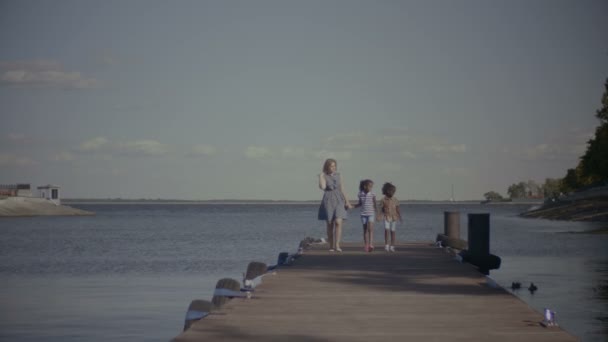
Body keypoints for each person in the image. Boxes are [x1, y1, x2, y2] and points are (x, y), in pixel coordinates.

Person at [318, 159, 352, 252]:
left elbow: (342, 188)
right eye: (331, 166)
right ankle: (331, 245)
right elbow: (323, 187)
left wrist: (347, 201)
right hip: (328, 199)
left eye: (334, 166)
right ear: (327, 167)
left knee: (338, 222)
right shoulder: (324, 176)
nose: (333, 168)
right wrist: (321, 177)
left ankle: (337, 245)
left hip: (339, 199)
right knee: (330, 224)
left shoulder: (339, 175)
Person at [377, 182, 402, 252]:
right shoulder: (383, 200)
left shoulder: (395, 199)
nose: (392, 193)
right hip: (386, 216)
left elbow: (398, 208)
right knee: (386, 230)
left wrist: (400, 217)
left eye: (394, 191)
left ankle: (392, 246)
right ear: (387, 191)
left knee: (393, 231)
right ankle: (386, 245)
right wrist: (379, 216)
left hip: (394, 217)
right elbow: (381, 209)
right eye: (391, 191)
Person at [355, 179, 377, 252]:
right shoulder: (360, 194)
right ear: (365, 186)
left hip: (371, 213)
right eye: (370, 186)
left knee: (370, 229)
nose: (371, 188)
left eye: (371, 187)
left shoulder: (373, 194)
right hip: (363, 214)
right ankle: (366, 245)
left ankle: (371, 244)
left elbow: (374, 204)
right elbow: (360, 203)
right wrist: (352, 206)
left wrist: (378, 213)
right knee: (365, 230)